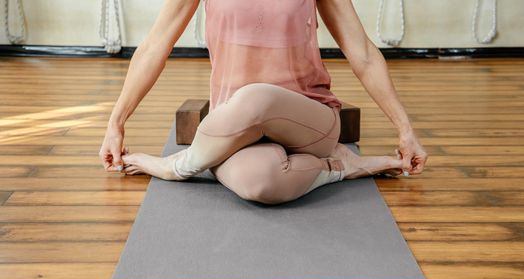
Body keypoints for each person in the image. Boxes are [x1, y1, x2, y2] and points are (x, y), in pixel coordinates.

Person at [99, 0, 428, 205]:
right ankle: (340, 166)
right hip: (238, 127)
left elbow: (364, 55)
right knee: (260, 183)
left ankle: (179, 166)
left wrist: (405, 129)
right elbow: (155, 45)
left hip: (309, 120)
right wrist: (115, 123)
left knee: (257, 96)